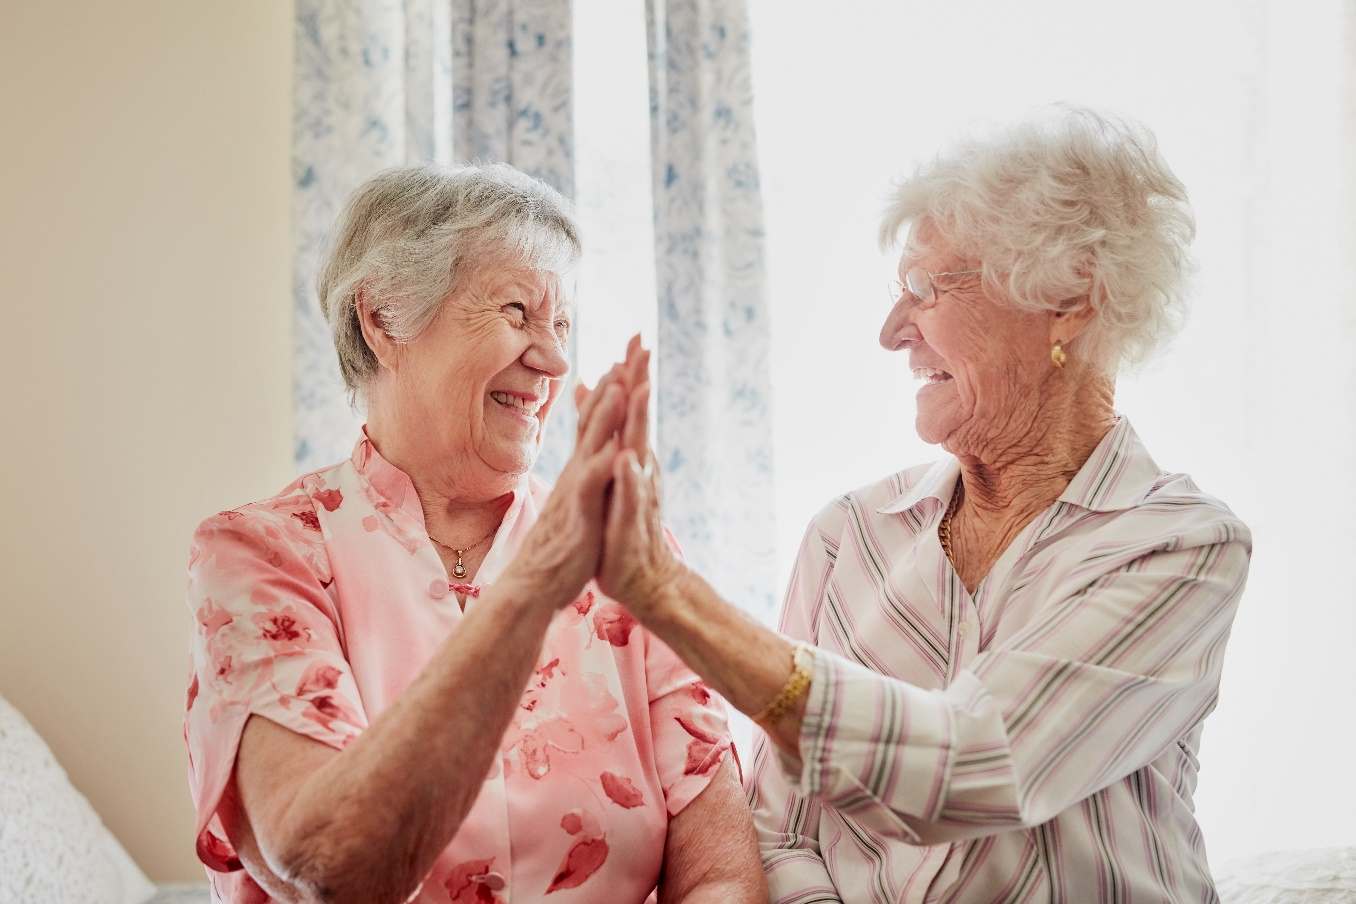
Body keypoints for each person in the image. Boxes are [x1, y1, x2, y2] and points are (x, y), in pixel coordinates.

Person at [585, 108, 1252, 902]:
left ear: (1071, 298)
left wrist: (666, 593)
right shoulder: (847, 537)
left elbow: (972, 766)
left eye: (925, 289)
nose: (891, 331)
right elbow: (781, 828)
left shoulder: (1180, 546)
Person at [183, 162, 765, 904]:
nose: (554, 360)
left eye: (562, 324)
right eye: (517, 312)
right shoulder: (262, 555)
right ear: (383, 318)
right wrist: (534, 584)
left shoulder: (626, 556)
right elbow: (332, 862)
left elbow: (719, 873)